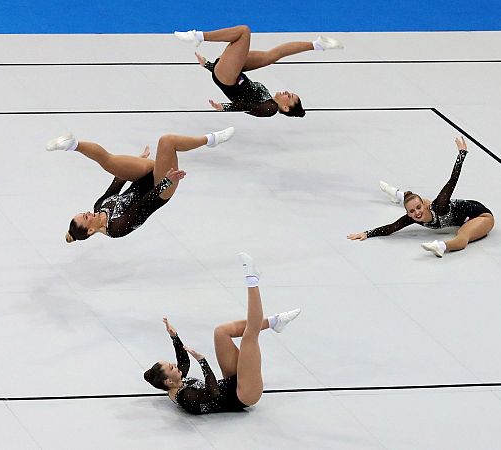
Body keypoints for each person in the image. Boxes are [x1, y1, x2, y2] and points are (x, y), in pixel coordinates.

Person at [143, 253, 301, 415]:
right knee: (249, 337)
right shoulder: (185, 397)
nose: (175, 365)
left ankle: (274, 322)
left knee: (221, 332)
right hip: (244, 395)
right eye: (171, 367)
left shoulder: (176, 381)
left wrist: (174, 337)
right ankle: (252, 280)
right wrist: (202, 361)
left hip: (231, 383)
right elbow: (213, 392)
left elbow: (183, 362)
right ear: (168, 381)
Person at [46, 127, 234, 241]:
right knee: (167, 141)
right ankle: (210, 139)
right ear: (91, 230)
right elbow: (143, 205)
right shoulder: (117, 228)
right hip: (159, 191)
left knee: (109, 162)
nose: (88, 212)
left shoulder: (98, 206)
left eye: (83, 213)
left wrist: (133, 163)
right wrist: (166, 182)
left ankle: (73, 145)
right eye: (86, 217)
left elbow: (117, 182)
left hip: (143, 177)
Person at [347, 137, 494, 257]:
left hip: (481, 216)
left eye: (418, 208)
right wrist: (366, 233)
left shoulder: (439, 206)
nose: (417, 213)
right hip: (461, 215)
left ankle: (441, 247)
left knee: (463, 235)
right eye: (412, 211)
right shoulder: (412, 217)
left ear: (424, 205)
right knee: (412, 201)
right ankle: (398, 195)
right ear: (408, 214)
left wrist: (462, 153)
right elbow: (391, 228)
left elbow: (452, 180)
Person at [174, 25, 343, 117]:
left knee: (244, 32)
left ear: (285, 107)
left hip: (227, 78)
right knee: (272, 56)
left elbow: (247, 107)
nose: (287, 92)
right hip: (231, 73)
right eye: (291, 93)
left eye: (290, 97)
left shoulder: (270, 108)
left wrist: (225, 107)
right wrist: (208, 65)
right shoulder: (268, 97)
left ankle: (198, 36)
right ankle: (317, 45)